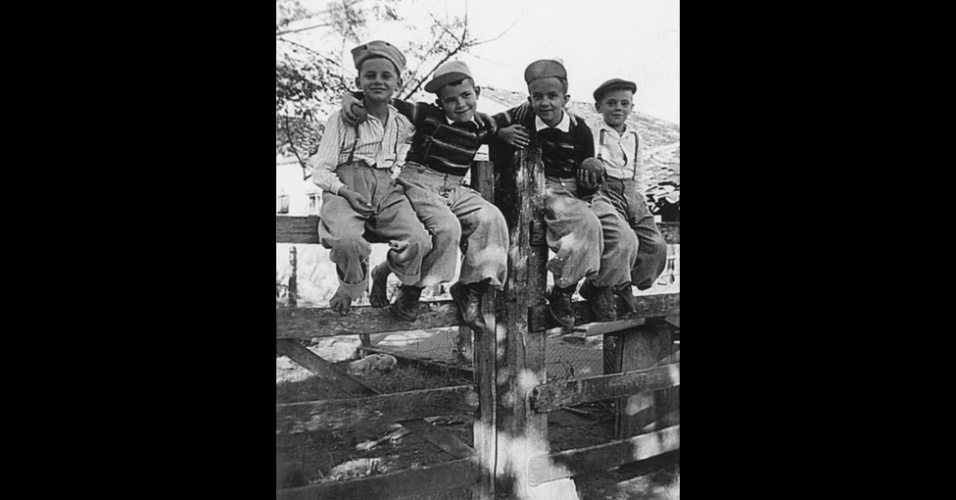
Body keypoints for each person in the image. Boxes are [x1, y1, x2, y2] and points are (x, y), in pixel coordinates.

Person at [341, 61, 508, 330]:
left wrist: (504, 132)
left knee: (491, 218)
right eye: (451, 100)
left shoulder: (482, 125)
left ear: (476, 92)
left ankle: (471, 288)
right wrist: (350, 98)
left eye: (467, 96)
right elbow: (379, 98)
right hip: (419, 182)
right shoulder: (428, 115)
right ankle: (412, 290)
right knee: (447, 228)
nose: (461, 104)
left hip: (455, 187)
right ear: (440, 103)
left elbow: (514, 117)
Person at [494, 59, 636, 326]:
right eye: (538, 97)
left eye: (552, 96)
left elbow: (587, 180)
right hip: (545, 188)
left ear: (565, 98)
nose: (545, 103)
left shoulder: (578, 128)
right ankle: (563, 289)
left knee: (625, 237)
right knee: (585, 226)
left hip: (579, 191)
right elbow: (478, 125)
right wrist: (500, 133)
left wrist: (592, 172)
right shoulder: (518, 117)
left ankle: (599, 286)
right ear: (529, 98)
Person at [307, 40, 431, 317]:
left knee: (419, 239)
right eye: (370, 76)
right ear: (358, 81)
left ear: (397, 83)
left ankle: (384, 273)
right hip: (345, 186)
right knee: (347, 240)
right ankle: (350, 286)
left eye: (386, 76)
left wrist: (395, 177)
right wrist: (345, 192)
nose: (378, 81)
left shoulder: (403, 122)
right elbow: (321, 171)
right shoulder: (341, 119)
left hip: (386, 187)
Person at [588, 78, 668, 307]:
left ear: (632, 108)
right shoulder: (595, 133)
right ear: (599, 107)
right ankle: (612, 286)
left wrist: (640, 201)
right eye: (611, 103)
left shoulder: (635, 136)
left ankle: (626, 281)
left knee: (655, 245)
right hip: (606, 191)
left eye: (624, 104)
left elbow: (639, 171)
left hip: (632, 192)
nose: (618, 108)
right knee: (624, 238)